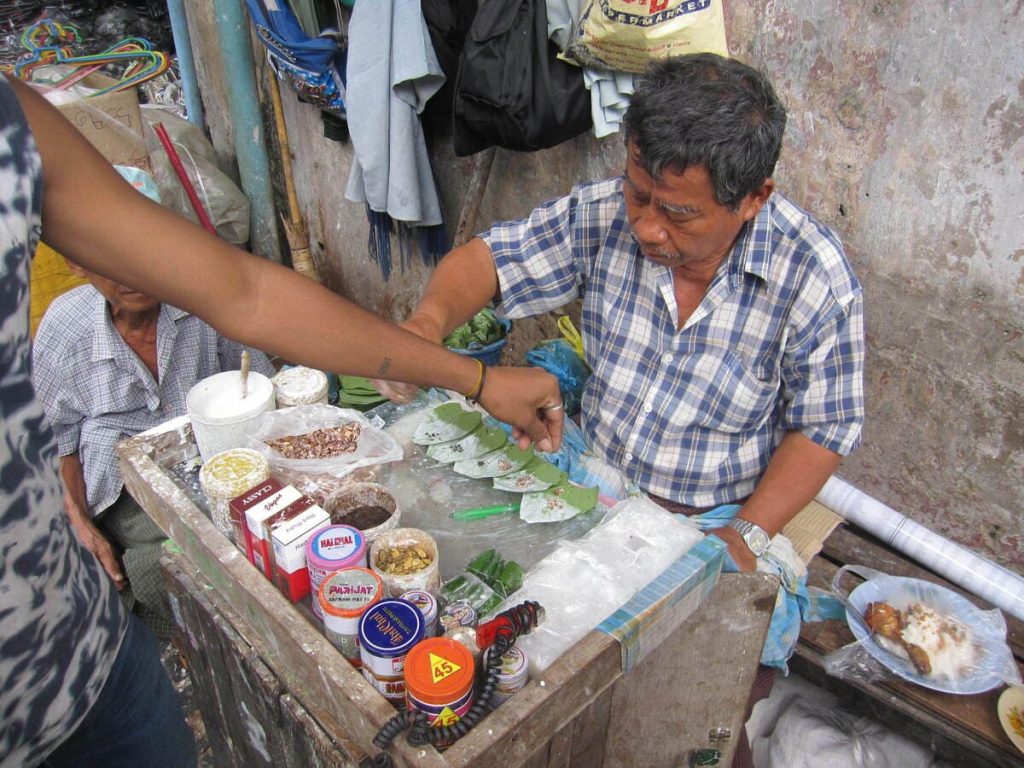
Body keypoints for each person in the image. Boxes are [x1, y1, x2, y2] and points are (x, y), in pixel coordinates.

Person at [0, 75, 562, 768]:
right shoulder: (64, 330)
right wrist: (79, 517)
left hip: (85, 654)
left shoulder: (15, 124)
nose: (123, 276)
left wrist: (477, 378)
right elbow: (58, 435)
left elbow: (248, 292)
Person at [378, 52, 865, 572]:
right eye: (638, 194)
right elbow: (491, 259)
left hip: (708, 512)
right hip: (593, 472)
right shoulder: (606, 211)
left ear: (752, 199)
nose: (647, 227)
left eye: (679, 213)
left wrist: (745, 533)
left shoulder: (814, 278)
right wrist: (426, 325)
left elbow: (823, 427)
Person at [32, 254, 276, 640]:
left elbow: (260, 383)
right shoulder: (64, 331)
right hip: (123, 489)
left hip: (215, 461)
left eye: (136, 251)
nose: (133, 274)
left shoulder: (201, 299)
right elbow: (56, 446)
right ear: (78, 263)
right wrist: (79, 524)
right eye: (110, 257)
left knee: (264, 547)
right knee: (168, 571)